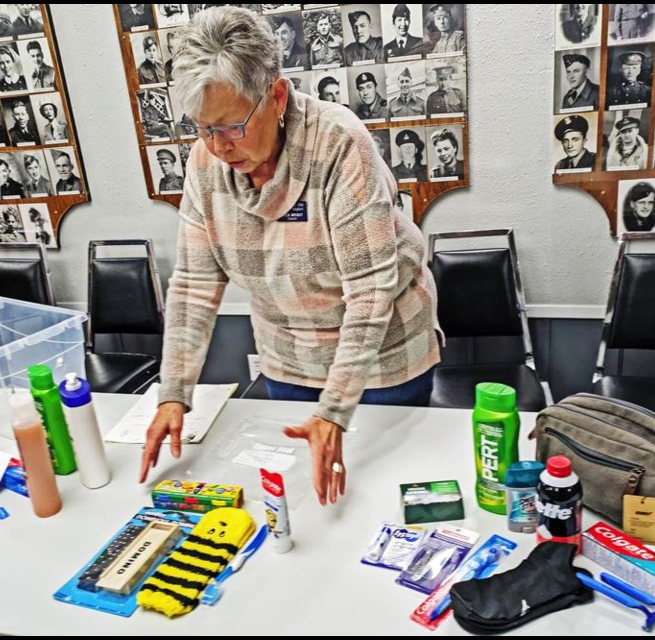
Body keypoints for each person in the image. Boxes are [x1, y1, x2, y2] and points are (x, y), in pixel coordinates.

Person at [139, 7, 439, 507]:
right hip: (288, 360)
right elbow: (193, 285)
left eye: (231, 126)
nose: (218, 147)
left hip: (382, 364)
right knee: (298, 500)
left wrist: (335, 410)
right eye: (203, 128)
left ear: (276, 96)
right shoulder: (204, 163)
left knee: (376, 499)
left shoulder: (338, 142)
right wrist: (173, 391)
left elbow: (370, 290)